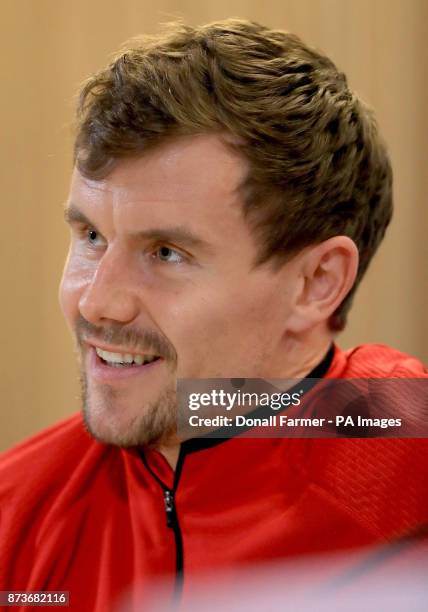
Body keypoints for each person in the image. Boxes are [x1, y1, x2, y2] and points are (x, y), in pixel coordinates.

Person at [0, 18, 426, 612]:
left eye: (167, 253)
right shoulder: (15, 517)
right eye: (91, 235)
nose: (98, 302)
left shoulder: (406, 450)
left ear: (316, 284)